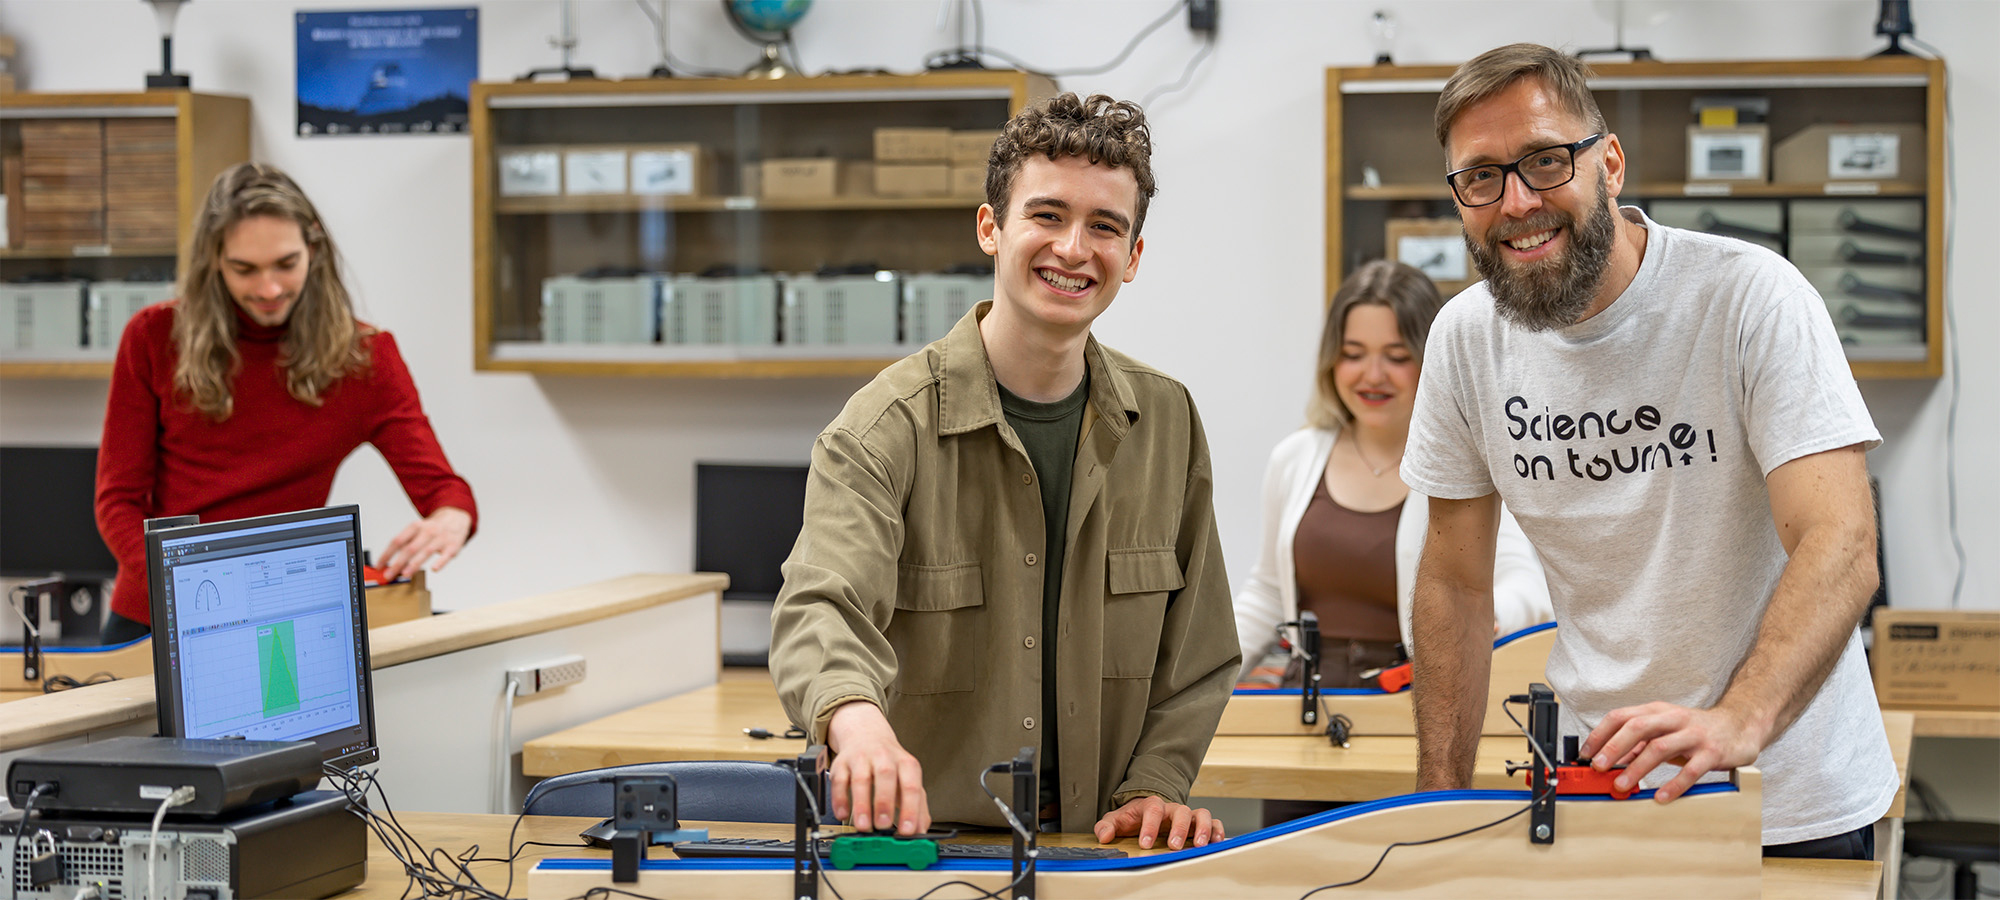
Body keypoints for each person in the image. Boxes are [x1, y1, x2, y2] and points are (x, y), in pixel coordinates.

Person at [1402, 44, 1896, 859]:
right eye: (1481, 177)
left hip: (1784, 799)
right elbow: (1454, 586)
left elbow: (1840, 542)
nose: (1517, 201)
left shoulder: (1748, 296)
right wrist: (1436, 809)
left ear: (1611, 164)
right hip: (1596, 789)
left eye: (1546, 161)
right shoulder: (1464, 340)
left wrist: (1739, 719)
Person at [770, 93, 1238, 852]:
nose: (1074, 249)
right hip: (927, 854)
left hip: (1105, 849)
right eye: (1047, 216)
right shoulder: (884, 427)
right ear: (991, 228)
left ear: (1134, 257)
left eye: (1105, 227)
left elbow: (1198, 653)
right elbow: (820, 608)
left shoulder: (1168, 423)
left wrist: (1157, 786)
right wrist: (853, 721)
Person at [95, 163, 478, 645]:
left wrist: (451, 518)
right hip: (156, 618)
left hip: (278, 622)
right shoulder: (153, 338)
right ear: (213, 260)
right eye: (244, 269)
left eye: (285, 264)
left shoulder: (364, 359)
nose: (269, 289)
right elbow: (118, 501)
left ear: (313, 249)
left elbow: (444, 489)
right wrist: (185, 589)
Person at [1233, 259, 1552, 691]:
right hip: (1305, 702)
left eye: (1397, 356)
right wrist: (1193, 682)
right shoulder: (1294, 457)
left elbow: (1527, 587)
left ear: (1430, 359)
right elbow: (1267, 593)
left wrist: (1487, 616)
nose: (1372, 375)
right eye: (1353, 354)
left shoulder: (1467, 460)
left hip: (1412, 701)